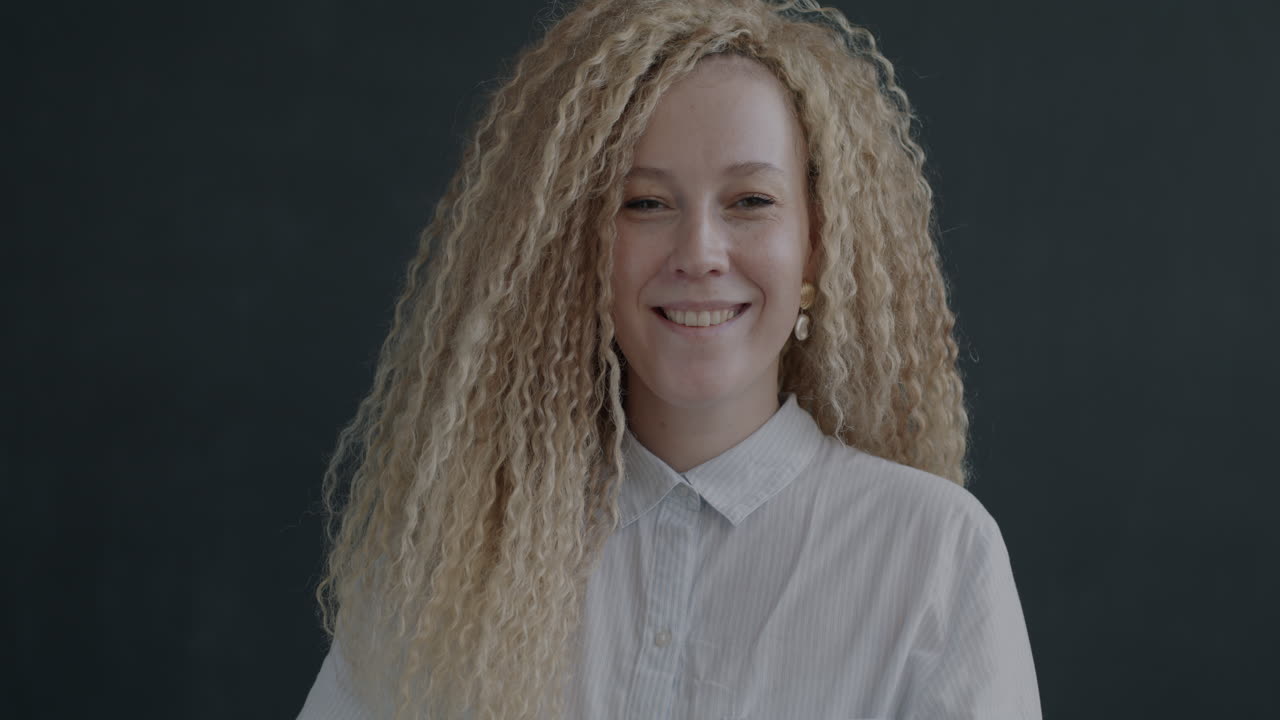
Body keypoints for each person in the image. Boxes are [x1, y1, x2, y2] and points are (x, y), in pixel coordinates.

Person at [298, 0, 1042, 718]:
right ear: (579, 250)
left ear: (818, 244)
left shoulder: (936, 556)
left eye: (751, 201)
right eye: (645, 204)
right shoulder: (458, 552)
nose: (699, 255)